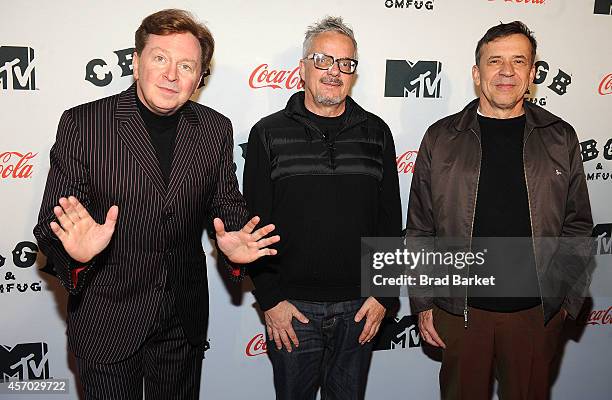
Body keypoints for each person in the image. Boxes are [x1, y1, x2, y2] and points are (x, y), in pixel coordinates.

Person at [33, 9, 278, 400]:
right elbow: (51, 223)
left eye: (186, 65)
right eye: (160, 58)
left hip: (182, 320)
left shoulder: (215, 129)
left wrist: (236, 243)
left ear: (199, 78)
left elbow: (228, 208)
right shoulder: (84, 124)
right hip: (107, 316)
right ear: (136, 62)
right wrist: (74, 253)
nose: (171, 75)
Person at [405, 21, 593, 399]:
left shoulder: (561, 137)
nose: (506, 71)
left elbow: (578, 227)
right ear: (477, 73)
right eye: (495, 61)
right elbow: (420, 229)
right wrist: (424, 302)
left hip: (536, 315)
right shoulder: (441, 137)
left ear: (532, 73)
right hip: (461, 313)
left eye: (518, 61)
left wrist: (564, 302)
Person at [243, 16, 402, 400]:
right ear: (302, 68)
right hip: (291, 310)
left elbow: (389, 223)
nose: (335, 71)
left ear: (354, 73)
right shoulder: (268, 133)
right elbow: (253, 227)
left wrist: (384, 294)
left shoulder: (376, 133)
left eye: (346, 64)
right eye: (324, 60)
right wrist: (270, 300)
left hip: (360, 309)